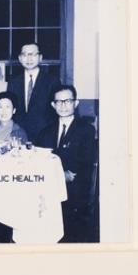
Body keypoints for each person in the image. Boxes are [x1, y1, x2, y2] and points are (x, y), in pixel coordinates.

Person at [36, 84, 97, 243]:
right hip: (49, 188)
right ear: (53, 105)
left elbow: (86, 161)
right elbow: (39, 160)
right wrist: (56, 176)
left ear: (75, 103)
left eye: (67, 101)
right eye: (59, 101)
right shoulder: (45, 132)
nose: (63, 105)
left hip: (75, 189)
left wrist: (66, 175)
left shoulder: (87, 130)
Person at [7, 42, 61, 144]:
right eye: (25, 55)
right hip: (19, 137)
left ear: (40, 58)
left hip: (45, 137)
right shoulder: (13, 82)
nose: (29, 58)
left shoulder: (52, 81)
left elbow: (55, 112)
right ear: (20, 58)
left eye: (32, 54)